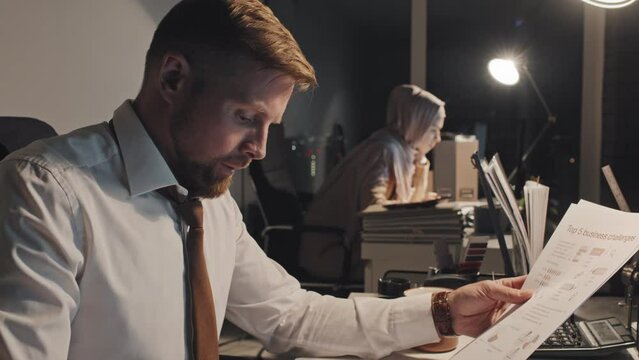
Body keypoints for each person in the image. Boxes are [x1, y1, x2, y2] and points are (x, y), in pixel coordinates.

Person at [0, 1, 532, 359]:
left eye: (269, 126)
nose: (257, 150)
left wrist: (443, 311)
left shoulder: (209, 202)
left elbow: (292, 315)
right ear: (172, 78)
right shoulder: (46, 192)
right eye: (245, 118)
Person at [300, 85, 446, 282]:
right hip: (336, 253)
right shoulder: (382, 151)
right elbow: (374, 211)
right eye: (433, 130)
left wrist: (420, 168)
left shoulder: (405, 153)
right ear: (415, 124)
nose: (437, 139)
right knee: (420, 270)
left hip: (354, 248)